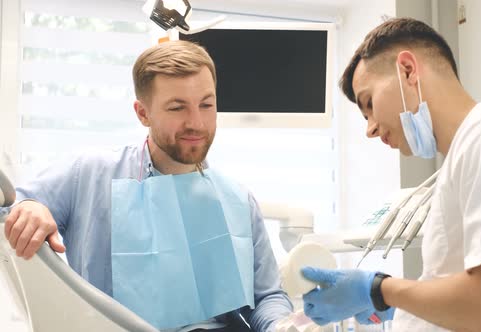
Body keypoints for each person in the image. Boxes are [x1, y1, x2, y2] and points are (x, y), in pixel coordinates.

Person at [301, 17, 481, 331]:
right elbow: (474, 296)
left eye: (369, 103)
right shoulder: (467, 151)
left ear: (407, 70)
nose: (370, 129)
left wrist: (380, 290)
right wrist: (402, 308)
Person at [2, 40, 292, 331]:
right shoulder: (89, 174)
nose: (197, 123)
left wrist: (281, 326)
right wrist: (30, 206)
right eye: (178, 108)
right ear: (143, 113)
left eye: (206, 105)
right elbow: (11, 210)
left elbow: (267, 296)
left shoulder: (238, 199)